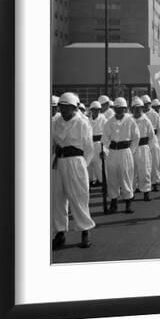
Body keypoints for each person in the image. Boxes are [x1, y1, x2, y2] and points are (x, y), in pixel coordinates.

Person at [51, 92, 95, 250]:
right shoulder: (55, 122)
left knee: (78, 197)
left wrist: (82, 164)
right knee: (57, 198)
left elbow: (89, 149)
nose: (63, 110)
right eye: (61, 107)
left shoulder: (82, 123)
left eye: (67, 107)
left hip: (75, 162)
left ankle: (85, 230)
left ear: (74, 108)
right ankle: (60, 232)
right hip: (58, 162)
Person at [102, 97, 140, 214]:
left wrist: (131, 150)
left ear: (125, 109)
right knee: (112, 177)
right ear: (114, 109)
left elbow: (136, 137)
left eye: (122, 109)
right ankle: (114, 202)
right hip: (113, 152)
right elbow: (105, 138)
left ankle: (128, 202)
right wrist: (105, 150)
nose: (119, 111)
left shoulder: (130, 121)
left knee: (126, 176)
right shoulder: (109, 122)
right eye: (117, 109)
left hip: (125, 151)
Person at [131, 97, 154, 201]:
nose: (137, 110)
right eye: (135, 108)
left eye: (139, 108)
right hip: (131, 149)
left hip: (143, 148)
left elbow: (151, 136)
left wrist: (149, 149)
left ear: (142, 108)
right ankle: (130, 193)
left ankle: (146, 191)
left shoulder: (146, 121)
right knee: (131, 171)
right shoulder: (129, 120)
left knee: (145, 170)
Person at [141, 95, 160, 192]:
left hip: (153, 142)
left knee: (154, 164)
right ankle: (140, 185)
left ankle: (154, 183)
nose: (146, 106)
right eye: (144, 104)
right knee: (142, 166)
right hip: (142, 144)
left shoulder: (154, 114)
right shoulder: (139, 115)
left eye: (147, 104)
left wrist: (156, 140)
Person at [87, 100, 107, 187]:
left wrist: (105, 148)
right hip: (91, 143)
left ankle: (103, 180)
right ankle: (92, 180)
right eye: (94, 110)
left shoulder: (103, 119)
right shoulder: (87, 120)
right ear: (91, 110)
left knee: (100, 164)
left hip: (100, 144)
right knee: (90, 163)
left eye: (98, 109)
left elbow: (106, 133)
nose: (96, 111)